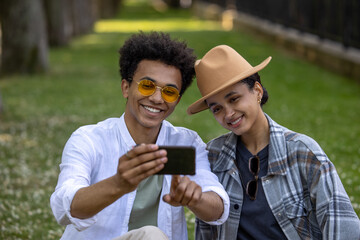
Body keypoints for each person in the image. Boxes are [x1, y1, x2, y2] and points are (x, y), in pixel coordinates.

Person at [50, 32, 229, 240]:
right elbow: (66, 207)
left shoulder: (183, 144)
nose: (156, 98)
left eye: (169, 92)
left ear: (177, 100)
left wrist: (195, 198)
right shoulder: (91, 140)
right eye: (147, 86)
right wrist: (118, 184)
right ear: (126, 87)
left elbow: (218, 208)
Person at [187, 45, 360, 240]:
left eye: (234, 99)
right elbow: (206, 232)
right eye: (217, 109)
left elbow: (344, 227)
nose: (228, 113)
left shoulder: (303, 153)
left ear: (257, 91)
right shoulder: (212, 157)